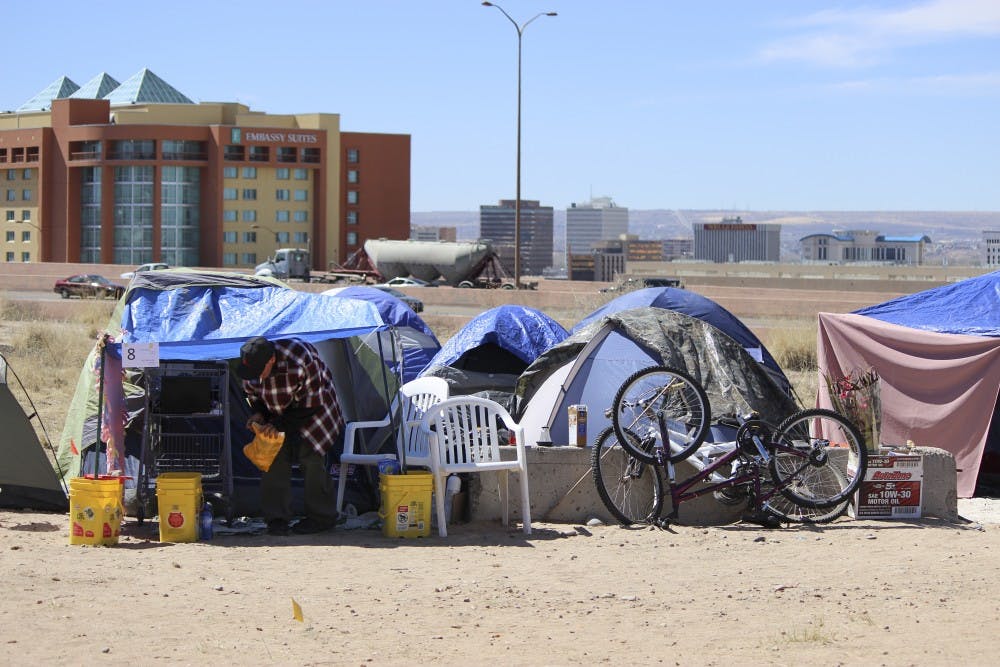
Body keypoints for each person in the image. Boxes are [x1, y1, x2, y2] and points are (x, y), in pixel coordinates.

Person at [237, 336, 344, 535]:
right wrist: (260, 414)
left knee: (311, 460)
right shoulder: (252, 367)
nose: (255, 377)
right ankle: (276, 519)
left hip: (314, 411)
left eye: (258, 373)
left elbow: (311, 404)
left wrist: (277, 425)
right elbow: (253, 396)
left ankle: (322, 518)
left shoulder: (301, 359)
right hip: (277, 411)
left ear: (270, 361)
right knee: (274, 462)